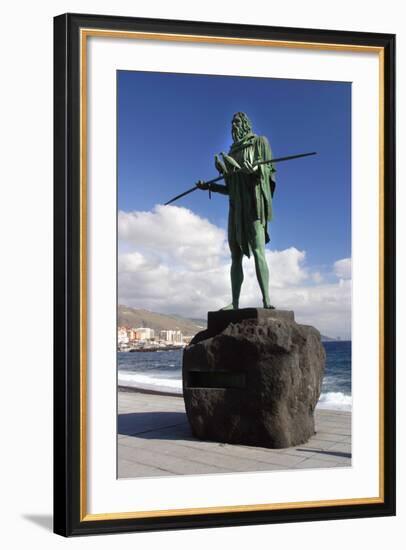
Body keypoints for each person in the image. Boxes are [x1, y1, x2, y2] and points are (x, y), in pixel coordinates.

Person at [196, 112, 276, 309]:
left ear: (246, 124)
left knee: (258, 251)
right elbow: (230, 189)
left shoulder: (259, 142)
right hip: (235, 209)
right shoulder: (231, 154)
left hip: (253, 205)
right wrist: (210, 187)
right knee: (235, 256)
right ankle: (235, 302)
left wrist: (256, 171)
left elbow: (269, 172)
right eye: (232, 122)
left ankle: (267, 300)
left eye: (237, 122)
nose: (234, 125)